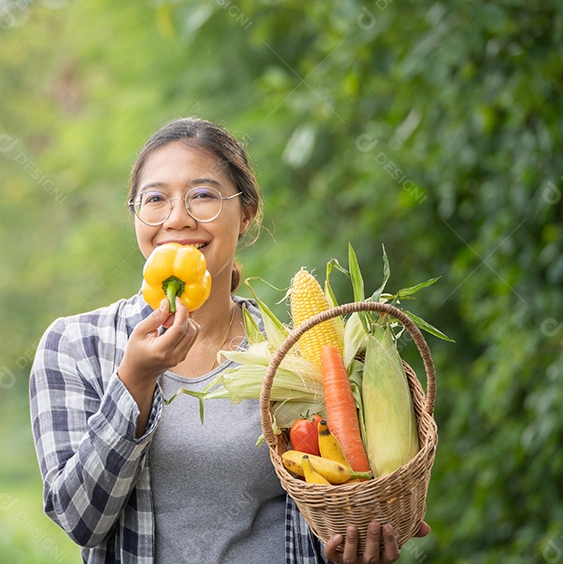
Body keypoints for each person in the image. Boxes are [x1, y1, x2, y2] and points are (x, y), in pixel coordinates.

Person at [29, 117, 429, 563]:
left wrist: (349, 547)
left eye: (202, 195)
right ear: (136, 216)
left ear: (247, 214)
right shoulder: (76, 345)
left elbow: (331, 500)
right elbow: (79, 519)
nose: (177, 218)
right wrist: (134, 381)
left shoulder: (294, 355)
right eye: (155, 199)